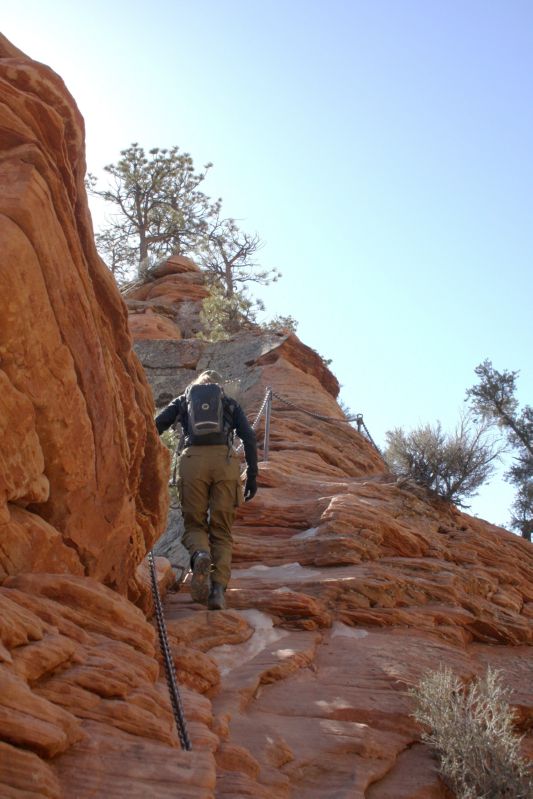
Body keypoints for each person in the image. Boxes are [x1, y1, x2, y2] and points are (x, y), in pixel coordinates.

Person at [155, 370, 258, 610]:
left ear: (197, 384)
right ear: (219, 387)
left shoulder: (184, 400)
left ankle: (201, 554)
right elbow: (249, 437)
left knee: (194, 524)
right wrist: (252, 474)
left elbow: (156, 425)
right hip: (224, 463)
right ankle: (218, 591)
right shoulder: (228, 403)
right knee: (222, 531)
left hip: (192, 462)